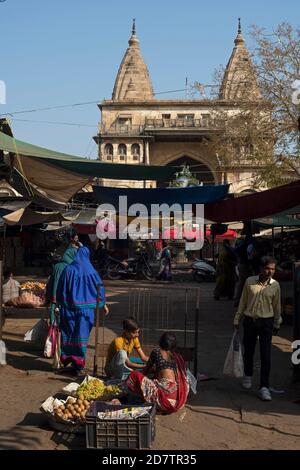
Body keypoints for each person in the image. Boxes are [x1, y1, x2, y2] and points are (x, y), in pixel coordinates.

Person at [233, 256, 282, 401]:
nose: (270, 272)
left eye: (273, 269)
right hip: (250, 321)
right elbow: (243, 302)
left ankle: (264, 386)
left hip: (267, 322)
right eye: (267, 268)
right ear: (261, 268)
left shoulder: (275, 285)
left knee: (265, 354)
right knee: (249, 350)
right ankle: (248, 375)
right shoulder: (249, 282)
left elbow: (277, 306)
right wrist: (237, 319)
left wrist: (277, 322)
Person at [56, 246, 109, 375]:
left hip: (69, 310)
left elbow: (61, 289)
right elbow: (99, 289)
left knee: (69, 336)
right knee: (81, 337)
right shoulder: (92, 271)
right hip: (86, 312)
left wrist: (59, 304)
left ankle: (74, 364)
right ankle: (78, 365)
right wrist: (103, 304)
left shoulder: (68, 269)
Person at [126, 332, 189, 414]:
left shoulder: (157, 351)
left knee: (134, 375)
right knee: (155, 379)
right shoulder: (178, 357)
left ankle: (135, 399)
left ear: (161, 342)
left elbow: (145, 371)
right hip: (179, 401)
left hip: (165, 400)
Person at [45, 248, 78, 324]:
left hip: (55, 295)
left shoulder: (56, 266)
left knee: (54, 315)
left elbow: (51, 282)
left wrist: (48, 296)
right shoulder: (71, 267)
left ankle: (54, 331)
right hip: (65, 297)